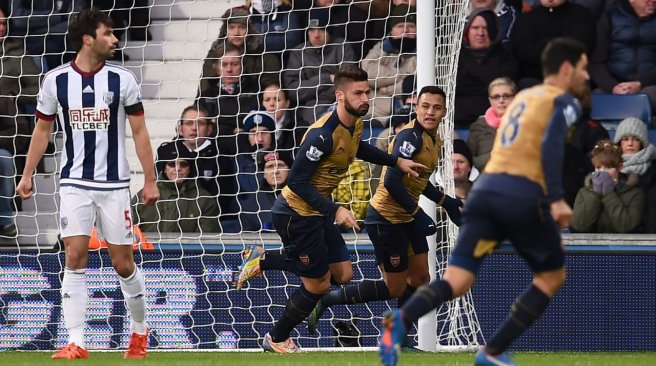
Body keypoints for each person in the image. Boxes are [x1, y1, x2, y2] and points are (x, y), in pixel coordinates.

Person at [379, 37, 589, 366]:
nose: (586, 77)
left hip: (486, 190)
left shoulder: (522, 100)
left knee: (457, 280)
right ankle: (492, 351)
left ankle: (400, 320)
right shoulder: (564, 101)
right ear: (566, 68)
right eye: (583, 68)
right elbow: (550, 146)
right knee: (551, 276)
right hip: (520, 193)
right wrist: (557, 199)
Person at [234, 65, 426, 353]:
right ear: (340, 95)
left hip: (317, 211)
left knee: (344, 275)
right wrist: (335, 210)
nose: (365, 99)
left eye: (367, 92)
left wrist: (395, 161)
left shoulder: (355, 122)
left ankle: (262, 260)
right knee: (318, 285)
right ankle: (275, 338)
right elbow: (297, 181)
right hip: (295, 214)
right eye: (358, 93)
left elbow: (358, 147)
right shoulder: (322, 135)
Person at [16, 9, 159, 359]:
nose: (114, 39)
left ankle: (139, 333)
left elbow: (139, 132)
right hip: (74, 182)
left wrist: (151, 180)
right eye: (107, 33)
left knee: (123, 264)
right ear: (87, 39)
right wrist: (27, 173)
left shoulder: (122, 80)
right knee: (74, 256)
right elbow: (42, 129)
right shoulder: (55, 81)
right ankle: (77, 341)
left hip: (114, 184)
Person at [305, 86, 463, 335]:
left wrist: (446, 201)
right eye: (425, 106)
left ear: (444, 111)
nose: (430, 112)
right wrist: (417, 213)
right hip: (386, 218)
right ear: (416, 107)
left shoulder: (435, 138)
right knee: (395, 287)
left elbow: (418, 180)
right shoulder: (409, 137)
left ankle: (398, 337)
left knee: (421, 278)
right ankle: (328, 300)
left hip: (406, 216)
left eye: (436, 107)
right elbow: (391, 181)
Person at [155, 105, 238, 220]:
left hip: (209, 217)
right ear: (180, 129)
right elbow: (159, 187)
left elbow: (223, 198)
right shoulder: (165, 152)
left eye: (200, 123)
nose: (194, 128)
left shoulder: (221, 155)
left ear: (209, 129)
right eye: (189, 123)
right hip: (169, 214)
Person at [283, 7, 358, 123]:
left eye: (321, 29)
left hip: (339, 103)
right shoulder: (298, 53)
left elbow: (348, 84)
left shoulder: (342, 47)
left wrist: (312, 90)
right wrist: (326, 79)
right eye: (312, 30)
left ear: (329, 31)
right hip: (308, 110)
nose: (316, 35)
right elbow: (294, 91)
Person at [454, 9, 518, 128]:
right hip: (457, 122)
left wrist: (470, 80)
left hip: (496, 125)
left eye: (485, 28)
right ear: (467, 31)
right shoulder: (454, 59)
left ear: (493, 31)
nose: (480, 33)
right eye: (475, 28)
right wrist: (485, 82)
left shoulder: (505, 58)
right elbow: (456, 87)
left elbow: (502, 87)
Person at [513, 0, 596, 89]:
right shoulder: (526, 19)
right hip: (536, 80)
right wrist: (561, 42)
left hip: (571, 77)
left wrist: (542, 46)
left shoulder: (582, 15)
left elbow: (580, 47)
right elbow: (525, 52)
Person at [132, 149, 220, 234]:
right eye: (172, 164)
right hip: (148, 248)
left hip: (188, 249)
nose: (178, 169)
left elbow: (205, 239)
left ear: (190, 169)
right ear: (164, 169)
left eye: (183, 164)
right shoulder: (145, 195)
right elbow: (131, 233)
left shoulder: (204, 200)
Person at [590, 0, 656, 110]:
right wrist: (612, 87)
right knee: (594, 100)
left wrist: (640, 83)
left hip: (649, 85)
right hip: (613, 85)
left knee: (647, 99)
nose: (653, 1)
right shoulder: (609, 16)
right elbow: (596, 63)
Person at [199, 5, 281, 94]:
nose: (236, 33)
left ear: (250, 30)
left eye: (242, 27)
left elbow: (270, 93)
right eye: (231, 27)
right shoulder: (215, 54)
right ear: (225, 30)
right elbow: (205, 88)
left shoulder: (265, 57)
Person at [570, 140, 644, 233]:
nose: (603, 172)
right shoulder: (584, 192)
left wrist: (609, 194)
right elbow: (579, 226)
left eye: (609, 167)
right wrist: (595, 194)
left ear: (620, 167)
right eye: (599, 167)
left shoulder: (635, 194)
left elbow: (627, 226)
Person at [361, 5, 417, 124]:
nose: (405, 30)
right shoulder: (381, 48)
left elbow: (417, 83)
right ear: (392, 30)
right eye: (400, 26)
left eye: (411, 26)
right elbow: (367, 73)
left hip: (411, 111)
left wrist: (388, 88)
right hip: (376, 111)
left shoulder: (426, 53)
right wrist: (403, 76)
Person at [613, 117, 656, 232]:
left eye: (636, 139)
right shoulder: (608, 167)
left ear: (642, 142)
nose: (630, 143)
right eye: (625, 139)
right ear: (619, 142)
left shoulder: (653, 170)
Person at [467, 78, 516, 171]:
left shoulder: (525, 124)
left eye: (506, 96)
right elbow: (468, 161)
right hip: (487, 178)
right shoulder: (478, 126)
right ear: (490, 100)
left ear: (515, 97)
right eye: (496, 97)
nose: (501, 100)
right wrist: (493, 155)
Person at [239, 150, 293, 232]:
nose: (276, 171)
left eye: (280, 165)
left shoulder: (303, 196)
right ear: (263, 173)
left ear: (289, 170)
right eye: (270, 167)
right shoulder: (252, 203)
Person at [259, 80, 308, 151]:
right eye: (267, 100)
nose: (271, 104)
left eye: (277, 100)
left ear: (287, 103)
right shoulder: (254, 127)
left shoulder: (299, 127)